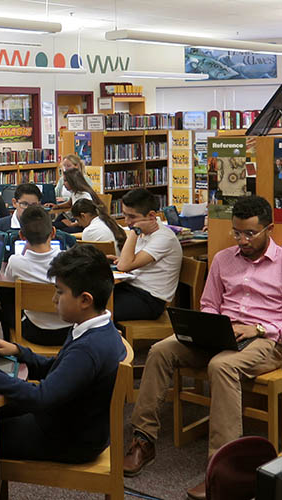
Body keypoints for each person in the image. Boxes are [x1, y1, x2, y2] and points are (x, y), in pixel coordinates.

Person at [124, 196, 282, 500]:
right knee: (160, 350)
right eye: (237, 233)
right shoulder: (223, 259)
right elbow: (209, 304)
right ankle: (143, 441)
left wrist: (259, 328)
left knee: (221, 366)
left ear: (269, 230)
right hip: (222, 333)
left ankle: (223, 469)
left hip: (266, 339)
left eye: (250, 233)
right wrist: (210, 328)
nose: (243, 240)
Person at [0, 244, 126, 463]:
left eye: (60, 292)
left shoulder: (88, 349)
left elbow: (39, 398)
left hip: (68, 439)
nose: (54, 299)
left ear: (85, 300)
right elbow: (59, 370)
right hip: (70, 421)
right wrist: (20, 352)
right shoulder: (95, 328)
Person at [3, 206, 72, 346]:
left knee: (5, 297)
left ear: (21, 235)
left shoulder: (15, 262)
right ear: (53, 232)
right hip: (68, 331)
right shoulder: (69, 260)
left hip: (34, 332)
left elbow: (7, 284)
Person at [112, 188, 181, 322]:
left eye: (132, 217)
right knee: (94, 298)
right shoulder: (145, 231)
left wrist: (134, 231)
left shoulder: (164, 238)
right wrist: (122, 259)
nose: (126, 221)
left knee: (99, 311)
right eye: (125, 215)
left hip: (150, 300)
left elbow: (125, 266)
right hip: (132, 288)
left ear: (151, 216)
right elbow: (128, 262)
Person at [0, 183, 41, 255]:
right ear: (14, 203)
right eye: (24, 204)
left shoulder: (44, 226)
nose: (29, 209)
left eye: (34, 205)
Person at [47, 169, 103, 233]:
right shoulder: (74, 192)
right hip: (75, 219)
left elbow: (87, 218)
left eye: (65, 181)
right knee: (53, 225)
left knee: (60, 231)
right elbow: (69, 203)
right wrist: (57, 206)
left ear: (73, 181)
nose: (63, 184)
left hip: (81, 224)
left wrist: (71, 224)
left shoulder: (84, 196)